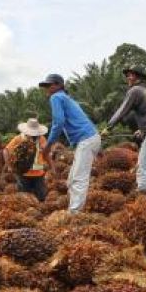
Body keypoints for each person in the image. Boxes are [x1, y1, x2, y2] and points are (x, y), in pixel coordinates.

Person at [101, 64, 146, 192]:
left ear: (138, 78)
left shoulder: (135, 91)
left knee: (143, 166)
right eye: (127, 75)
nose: (128, 77)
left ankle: (143, 198)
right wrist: (142, 130)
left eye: (130, 75)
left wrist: (108, 128)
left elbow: (122, 110)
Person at [39, 73, 101, 213]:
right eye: (46, 86)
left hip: (87, 140)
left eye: (50, 85)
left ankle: (74, 215)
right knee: (71, 180)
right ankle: (73, 209)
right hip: (90, 138)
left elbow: (58, 123)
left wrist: (48, 146)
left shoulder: (56, 97)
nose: (47, 89)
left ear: (59, 86)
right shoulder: (68, 99)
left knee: (78, 179)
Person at [1, 117, 50, 202]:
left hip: (38, 173)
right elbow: (6, 150)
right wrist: (9, 165)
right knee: (25, 199)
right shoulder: (19, 139)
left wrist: (49, 165)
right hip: (23, 174)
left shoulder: (41, 138)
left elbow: (46, 152)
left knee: (41, 198)